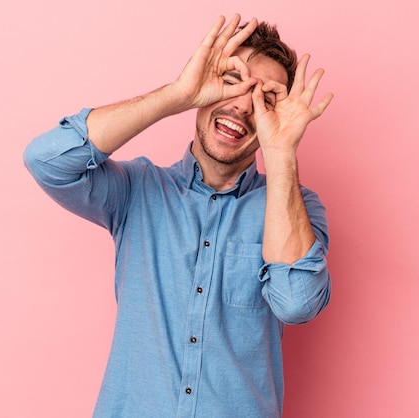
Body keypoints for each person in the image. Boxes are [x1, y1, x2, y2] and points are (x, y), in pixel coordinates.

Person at [24, 14, 333, 417]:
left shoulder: (299, 206)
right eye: (231, 82)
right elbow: (46, 160)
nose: (242, 105)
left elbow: (297, 304)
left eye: (264, 100)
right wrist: (177, 94)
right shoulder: (138, 190)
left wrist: (280, 154)